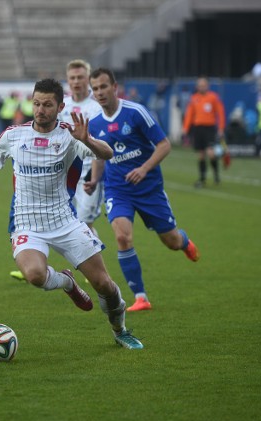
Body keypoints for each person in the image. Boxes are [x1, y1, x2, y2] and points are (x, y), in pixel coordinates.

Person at [0, 78, 144, 350]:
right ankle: (67, 283)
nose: (40, 110)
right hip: (26, 224)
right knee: (36, 276)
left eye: (47, 105)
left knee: (104, 285)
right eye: (36, 103)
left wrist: (87, 140)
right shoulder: (13, 135)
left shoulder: (70, 136)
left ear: (60, 106)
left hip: (65, 222)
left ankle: (120, 329)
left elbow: (107, 154)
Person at [84, 68, 200, 312]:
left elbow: (164, 145)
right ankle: (140, 297)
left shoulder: (135, 112)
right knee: (122, 236)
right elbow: (99, 156)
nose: (100, 92)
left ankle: (184, 241)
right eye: (95, 89)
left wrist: (144, 169)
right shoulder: (94, 124)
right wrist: (95, 180)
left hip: (149, 188)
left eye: (104, 86)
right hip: (117, 189)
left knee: (170, 240)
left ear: (115, 87)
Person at [10, 59, 103, 282]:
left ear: (87, 80)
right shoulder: (62, 104)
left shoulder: (96, 107)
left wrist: (97, 176)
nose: (76, 82)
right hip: (63, 172)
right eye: (72, 78)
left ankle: (90, 268)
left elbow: (100, 144)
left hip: (90, 170)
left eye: (80, 77)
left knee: (83, 222)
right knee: (49, 216)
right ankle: (35, 263)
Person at [182, 77, 226, 187]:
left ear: (207, 86)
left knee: (211, 153)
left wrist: (221, 128)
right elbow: (189, 115)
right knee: (201, 155)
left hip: (210, 128)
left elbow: (220, 113)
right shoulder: (194, 98)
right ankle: (202, 179)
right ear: (197, 87)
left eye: (203, 85)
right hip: (198, 129)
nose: (201, 87)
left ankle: (216, 176)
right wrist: (185, 129)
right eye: (200, 85)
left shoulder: (213, 97)